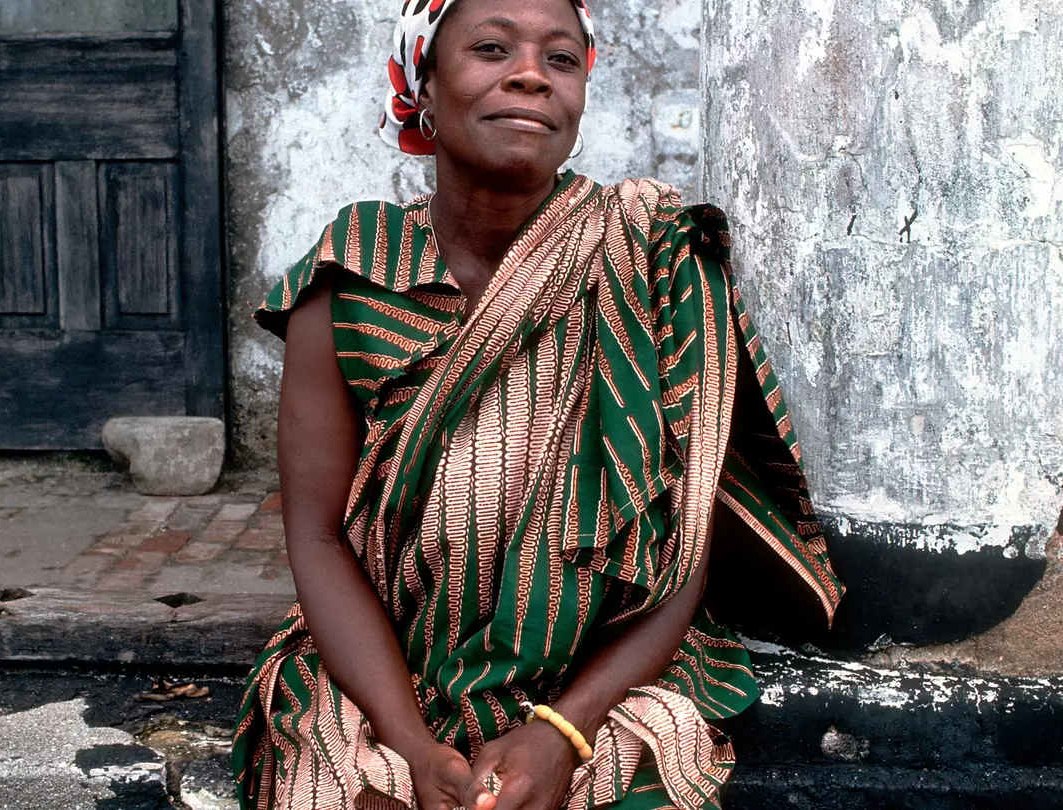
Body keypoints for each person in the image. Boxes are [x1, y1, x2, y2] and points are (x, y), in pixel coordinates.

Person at [231, 0, 845, 807]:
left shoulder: (654, 254)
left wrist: (565, 731)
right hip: (386, 674)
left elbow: (686, 545)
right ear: (421, 84)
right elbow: (315, 535)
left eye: (561, 59)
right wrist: (410, 742)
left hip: (603, 682)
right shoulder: (350, 273)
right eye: (490, 48)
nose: (530, 74)